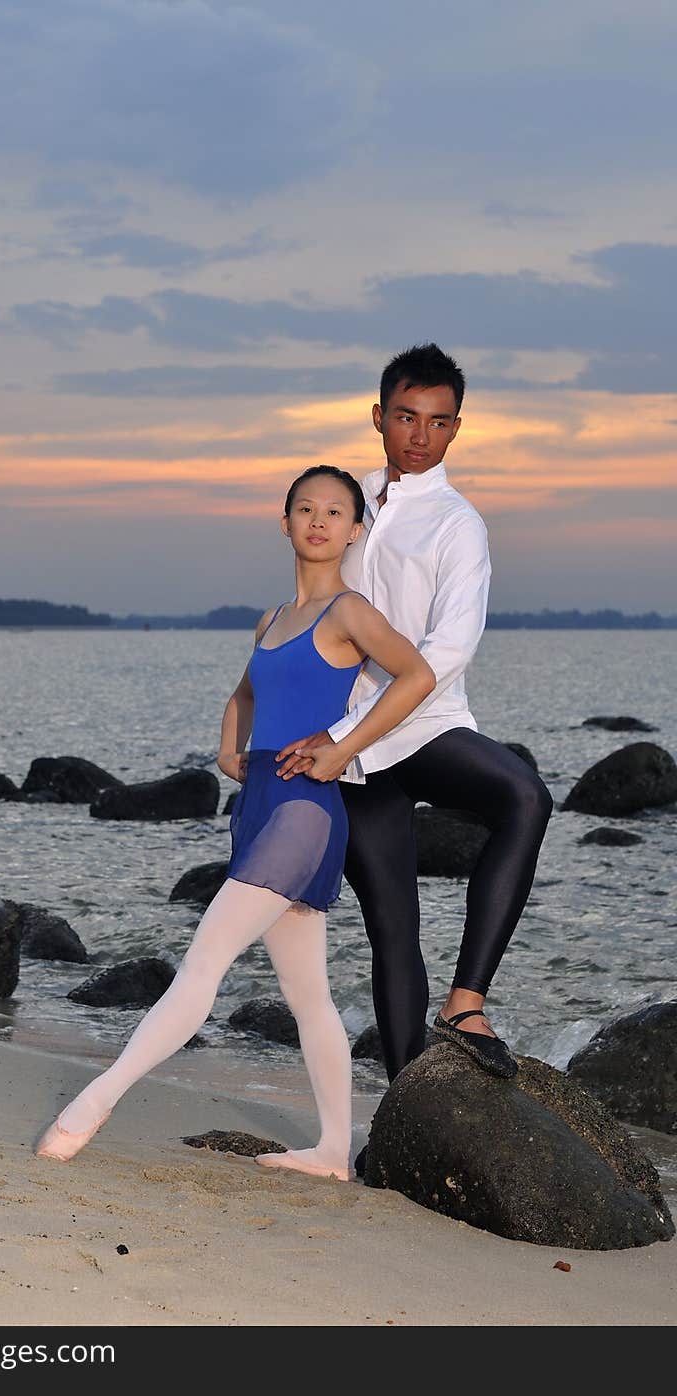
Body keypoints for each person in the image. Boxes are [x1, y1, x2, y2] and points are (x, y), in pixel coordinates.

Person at [35, 464, 435, 1180]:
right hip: (260, 805)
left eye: (336, 512)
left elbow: (417, 677)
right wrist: (230, 749)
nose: (319, 521)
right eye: (305, 509)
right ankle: (336, 1151)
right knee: (308, 993)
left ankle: (97, 1100)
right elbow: (246, 692)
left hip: (307, 811)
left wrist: (341, 749)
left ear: (354, 529)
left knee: (203, 961)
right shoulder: (271, 621)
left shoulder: (349, 612)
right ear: (284, 523)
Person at [277, 345, 554, 1124]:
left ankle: (467, 1003)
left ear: (456, 429)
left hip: (423, 727)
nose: (420, 436)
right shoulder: (349, 500)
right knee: (393, 931)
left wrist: (354, 735)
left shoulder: (459, 526)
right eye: (405, 417)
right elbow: (308, 598)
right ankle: (404, 1121)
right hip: (345, 746)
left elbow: (447, 653)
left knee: (525, 797)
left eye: (437, 422)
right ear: (380, 418)